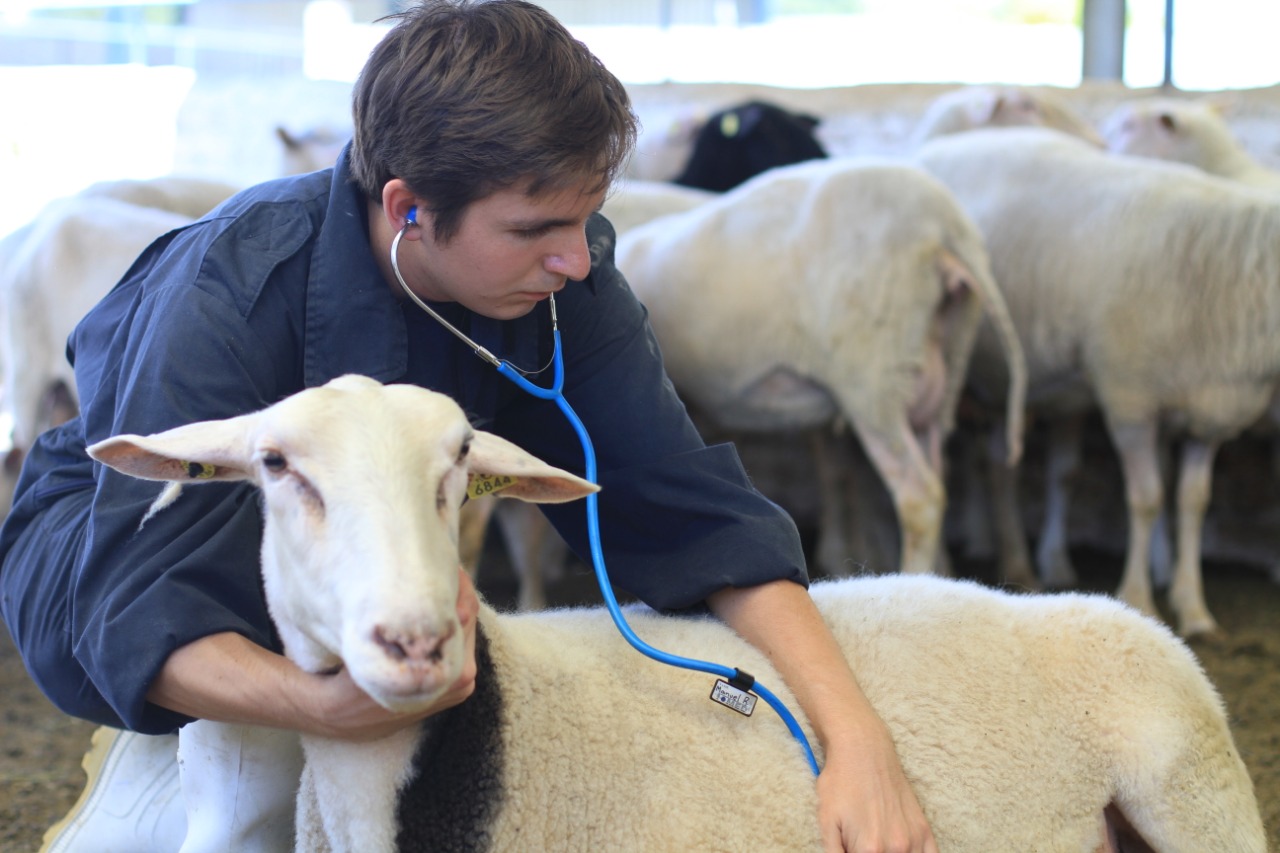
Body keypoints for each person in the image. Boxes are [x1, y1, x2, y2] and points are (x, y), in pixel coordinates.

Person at [0, 2, 937, 851]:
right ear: (408, 208)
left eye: (588, 219)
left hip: (353, 589)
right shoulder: (229, 293)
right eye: (536, 228)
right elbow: (138, 592)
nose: (577, 258)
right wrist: (318, 706)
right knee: (252, 799)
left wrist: (856, 737)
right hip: (118, 548)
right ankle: (159, 796)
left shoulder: (567, 286)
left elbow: (691, 511)